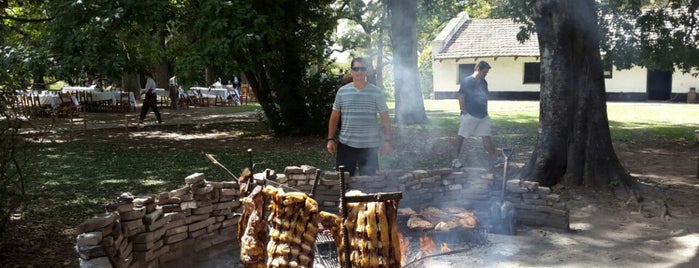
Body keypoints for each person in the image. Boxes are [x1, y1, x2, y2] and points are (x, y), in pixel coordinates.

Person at [326, 57, 392, 176]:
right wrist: (330, 139)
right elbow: (335, 116)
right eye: (356, 69)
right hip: (346, 145)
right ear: (351, 71)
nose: (359, 72)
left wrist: (387, 140)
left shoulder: (376, 92)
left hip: (370, 147)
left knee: (370, 184)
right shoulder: (342, 92)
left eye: (362, 69)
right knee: (344, 182)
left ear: (367, 71)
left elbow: (385, 118)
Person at [452, 61, 503, 169]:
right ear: (478, 69)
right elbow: (461, 96)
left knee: (486, 137)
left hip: (483, 116)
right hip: (469, 114)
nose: (485, 75)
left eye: (487, 73)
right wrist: (464, 112)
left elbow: (485, 97)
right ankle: (455, 160)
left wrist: (486, 112)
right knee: (461, 136)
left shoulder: (484, 82)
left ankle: (494, 159)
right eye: (484, 72)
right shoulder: (467, 81)